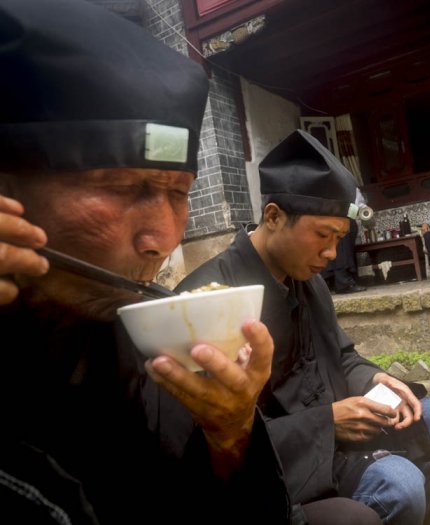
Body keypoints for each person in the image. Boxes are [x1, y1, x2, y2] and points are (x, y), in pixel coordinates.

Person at [0, 1, 381, 524]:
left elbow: (183, 499)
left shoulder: (141, 331)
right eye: (121, 187)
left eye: (179, 193)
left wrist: (230, 434)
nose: (161, 239)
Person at [176, 129, 430, 525]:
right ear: (274, 216)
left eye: (340, 239)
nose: (332, 255)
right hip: (287, 456)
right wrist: (327, 423)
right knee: (397, 482)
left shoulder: (309, 281)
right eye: (322, 236)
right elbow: (216, 436)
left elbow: (342, 355)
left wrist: (377, 381)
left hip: (340, 426)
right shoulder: (210, 298)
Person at [321, 188, 367, 294]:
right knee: (342, 252)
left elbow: (359, 205)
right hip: (339, 220)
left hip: (343, 219)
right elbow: (356, 205)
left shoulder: (350, 187)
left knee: (343, 252)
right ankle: (344, 283)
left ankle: (339, 282)